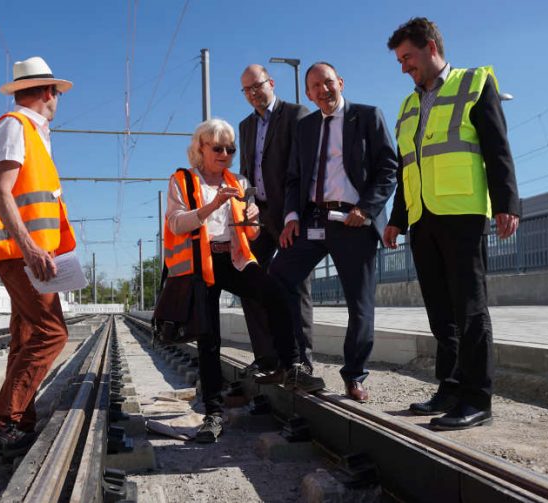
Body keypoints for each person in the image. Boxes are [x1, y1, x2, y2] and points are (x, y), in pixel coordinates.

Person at [384, 18, 520, 430]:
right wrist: (396, 219)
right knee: (440, 311)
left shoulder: (474, 84)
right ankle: (450, 387)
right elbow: (408, 166)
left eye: (407, 57)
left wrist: (506, 203)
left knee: (469, 308)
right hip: (423, 217)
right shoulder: (409, 105)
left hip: (463, 214)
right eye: (400, 61)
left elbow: (497, 148)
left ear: (430, 47)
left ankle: (478, 398)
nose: (403, 67)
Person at [164, 118, 325, 443]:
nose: (225, 154)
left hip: (234, 259)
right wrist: (213, 205)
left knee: (276, 294)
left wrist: (253, 218)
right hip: (200, 264)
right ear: (201, 149)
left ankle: (292, 365)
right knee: (209, 339)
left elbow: (250, 233)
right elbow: (176, 223)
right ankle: (213, 413)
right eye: (218, 148)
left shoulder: (237, 181)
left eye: (231, 149)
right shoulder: (183, 180)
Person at [266, 62, 398, 403]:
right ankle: (296, 362)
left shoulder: (368, 117)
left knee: (360, 303)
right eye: (315, 87)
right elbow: (295, 176)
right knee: (279, 276)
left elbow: (388, 168)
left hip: (354, 222)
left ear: (340, 82)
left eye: (328, 83)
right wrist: (292, 216)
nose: (323, 90)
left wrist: (365, 210)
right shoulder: (306, 127)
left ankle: (354, 376)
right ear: (308, 94)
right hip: (313, 220)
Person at [0, 56, 75, 457]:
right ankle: (2, 423)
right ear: (48, 92)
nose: (58, 99)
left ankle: (19, 422)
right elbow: (1, 191)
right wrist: (30, 248)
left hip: (30, 253)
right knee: (53, 332)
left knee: (28, 336)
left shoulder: (32, 132)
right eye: (57, 93)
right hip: (19, 252)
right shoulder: (15, 127)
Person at [238, 64, 312, 374]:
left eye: (257, 86)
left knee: (295, 285)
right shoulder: (245, 126)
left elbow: (304, 167)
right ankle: (268, 357)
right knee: (249, 279)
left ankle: (301, 360)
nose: (253, 93)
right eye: (247, 90)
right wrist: (249, 205)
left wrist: (297, 211)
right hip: (261, 214)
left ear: (271, 82)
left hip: (291, 212)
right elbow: (247, 172)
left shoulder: (297, 115)